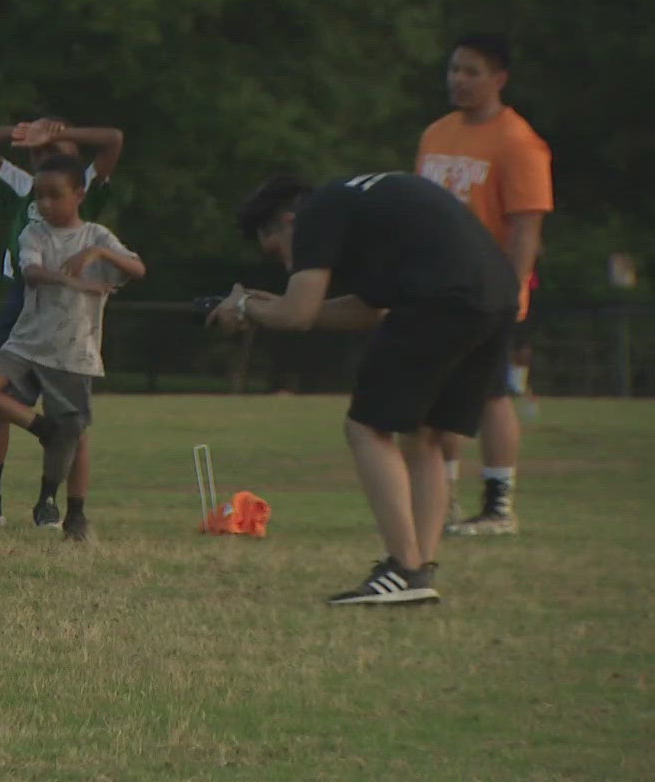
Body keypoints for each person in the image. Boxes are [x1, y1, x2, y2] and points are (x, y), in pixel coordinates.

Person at [208, 172, 517, 604]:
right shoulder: (360, 211)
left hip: (440, 298)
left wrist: (244, 306)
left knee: (366, 428)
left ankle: (402, 567)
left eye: (276, 249)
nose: (284, 264)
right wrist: (267, 307)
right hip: (497, 295)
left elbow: (296, 316)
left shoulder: (314, 216)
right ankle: (418, 573)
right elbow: (366, 312)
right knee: (425, 435)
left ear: (287, 221)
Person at [0, 116, 124, 530]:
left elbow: (113, 137)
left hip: (70, 308)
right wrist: (22, 132)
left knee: (68, 411)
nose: (44, 155)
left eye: (53, 152)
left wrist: (62, 134)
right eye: (38, 153)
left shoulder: (82, 187)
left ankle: (52, 502)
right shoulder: (24, 186)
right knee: (1, 400)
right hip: (23, 300)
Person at [414, 34, 553, 535]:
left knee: (491, 393)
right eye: (454, 69)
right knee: (437, 390)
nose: (459, 80)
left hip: (486, 284)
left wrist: (514, 288)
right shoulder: (436, 133)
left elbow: (525, 225)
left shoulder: (517, 141)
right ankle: (442, 500)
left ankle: (498, 506)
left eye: (472, 71)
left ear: (499, 79)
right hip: (437, 284)